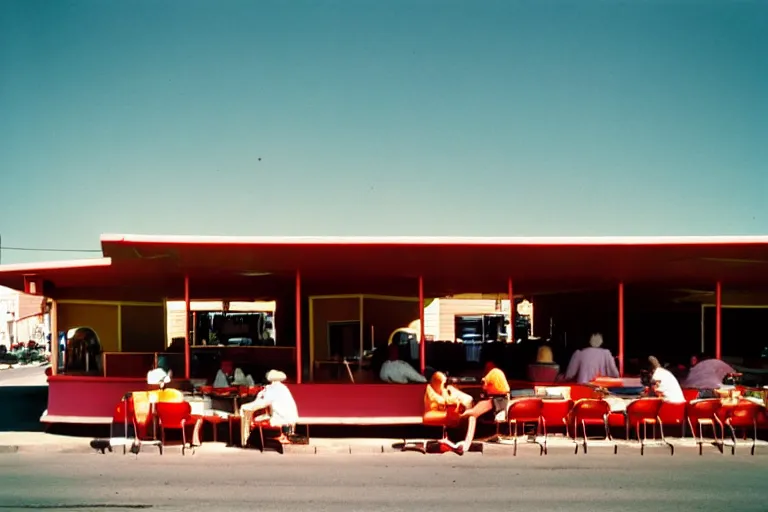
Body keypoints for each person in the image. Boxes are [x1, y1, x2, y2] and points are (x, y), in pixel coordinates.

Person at [455, 362, 511, 454]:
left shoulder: (489, 376)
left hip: (496, 399)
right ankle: (466, 441)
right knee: (472, 415)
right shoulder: (498, 373)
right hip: (503, 398)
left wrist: (461, 415)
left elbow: (484, 386)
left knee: (472, 416)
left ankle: (466, 444)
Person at [239, 369, 299, 446]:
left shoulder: (273, 389)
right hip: (291, 417)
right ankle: (281, 435)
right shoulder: (283, 387)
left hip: (282, 418)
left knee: (256, 418)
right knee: (263, 415)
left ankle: (247, 440)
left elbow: (262, 404)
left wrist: (245, 406)